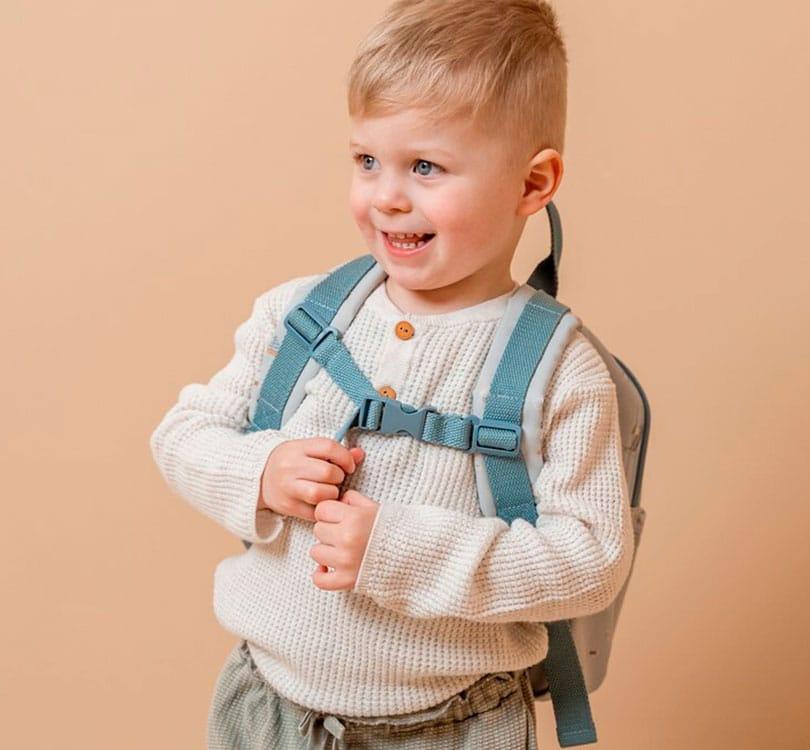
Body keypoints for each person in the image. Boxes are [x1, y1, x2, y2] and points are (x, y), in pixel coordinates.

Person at [149, 1, 635, 747]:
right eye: (367, 160)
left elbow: (590, 561)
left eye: (427, 167)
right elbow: (182, 434)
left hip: (452, 726)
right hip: (268, 709)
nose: (387, 196)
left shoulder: (560, 370)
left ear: (534, 185)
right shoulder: (303, 316)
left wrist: (401, 550)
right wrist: (261, 469)